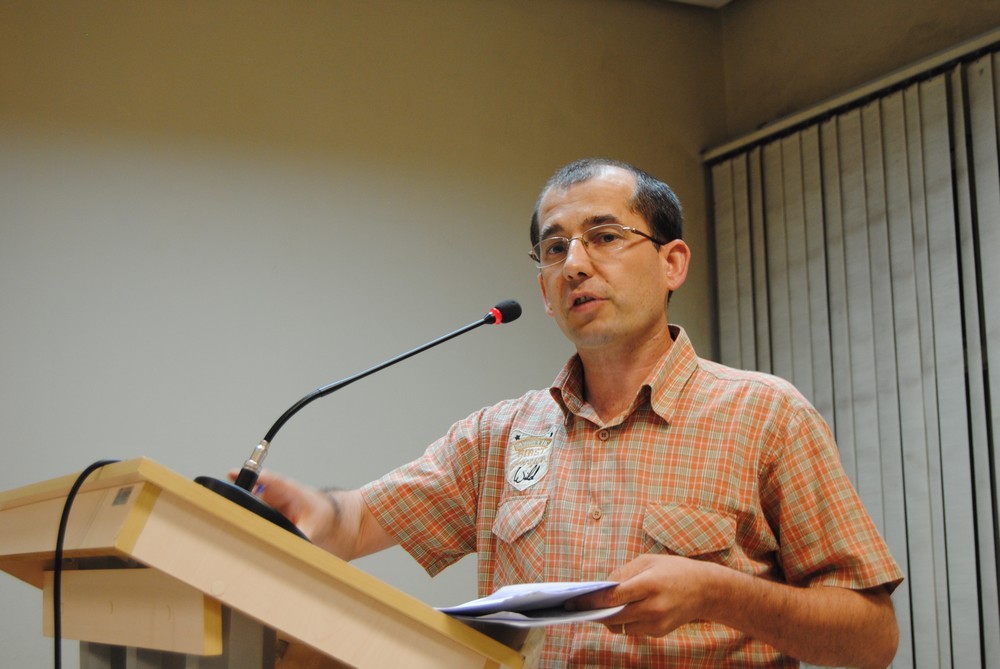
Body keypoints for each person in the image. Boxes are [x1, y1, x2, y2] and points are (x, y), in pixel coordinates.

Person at [253, 158, 903, 668]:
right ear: (542, 289)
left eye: (605, 236)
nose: (575, 264)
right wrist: (314, 511)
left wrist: (718, 593)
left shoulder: (766, 414)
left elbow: (872, 636)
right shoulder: (499, 436)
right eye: (555, 248)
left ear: (672, 262)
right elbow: (359, 520)